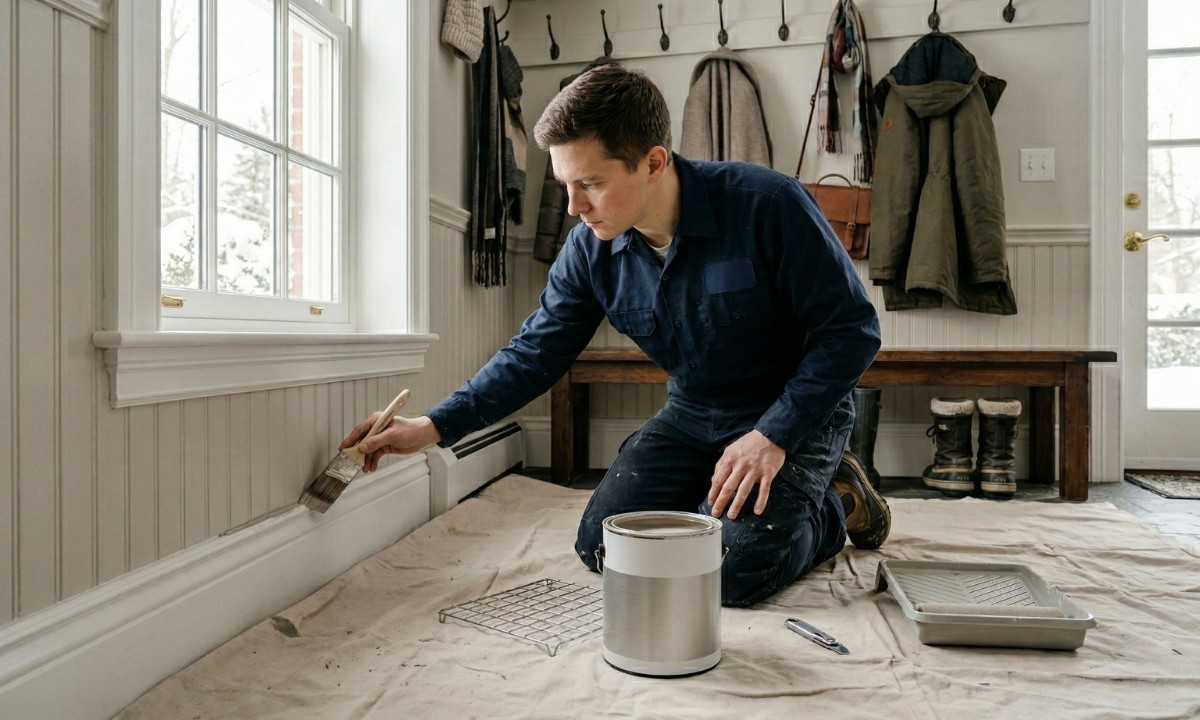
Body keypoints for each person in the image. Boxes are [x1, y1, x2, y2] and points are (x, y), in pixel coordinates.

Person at [341, 65, 889, 607]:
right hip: (694, 413)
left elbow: (852, 331)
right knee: (605, 548)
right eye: (565, 186)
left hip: (791, 416)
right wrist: (433, 427)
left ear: (653, 162)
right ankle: (725, 498)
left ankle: (833, 503)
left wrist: (774, 436)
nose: (575, 209)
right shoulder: (588, 248)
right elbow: (535, 351)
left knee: (727, 574)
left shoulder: (769, 203)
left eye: (591, 184)